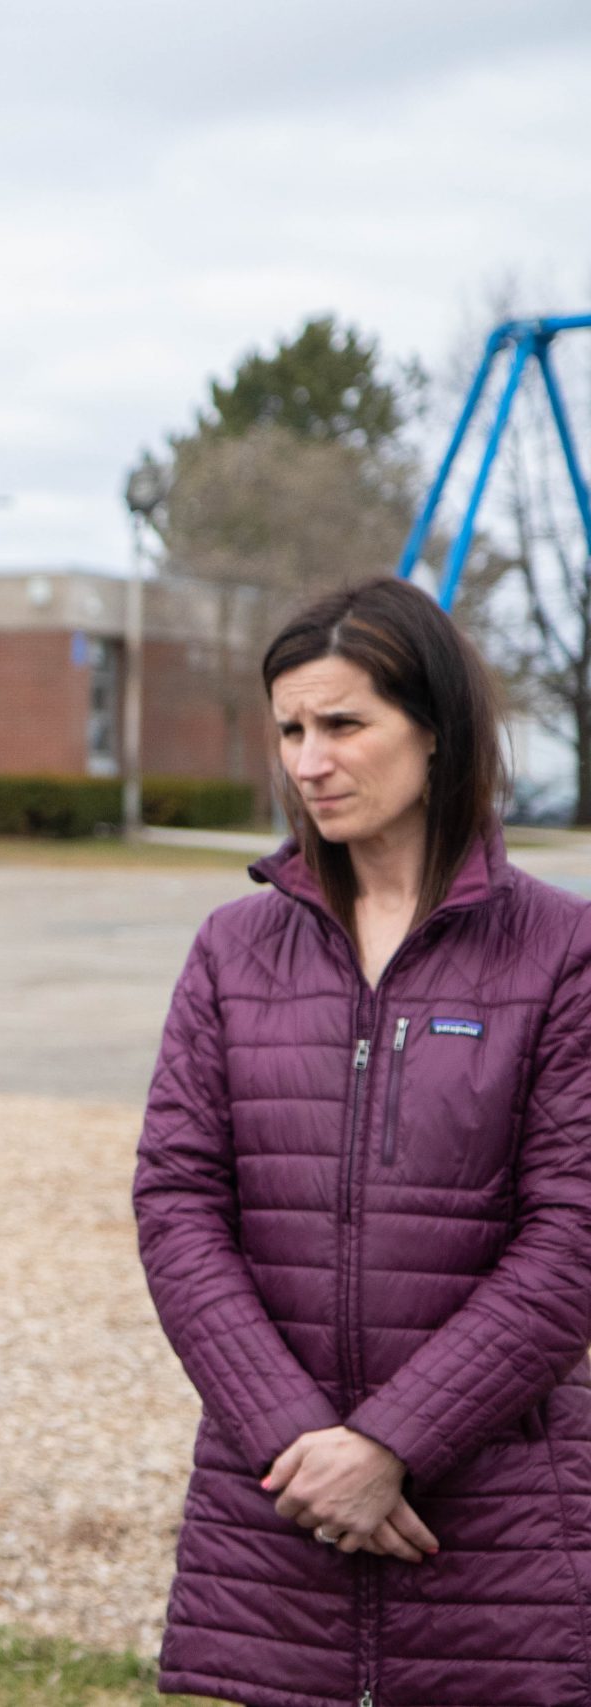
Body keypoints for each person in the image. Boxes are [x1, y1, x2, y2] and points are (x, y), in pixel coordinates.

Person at [135, 576, 591, 1707]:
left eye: (343, 724)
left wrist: (392, 1443)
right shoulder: (232, 952)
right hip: (275, 1504)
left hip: (490, 1517)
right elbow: (176, 1203)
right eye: (290, 728)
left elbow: (573, 1235)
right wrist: (302, 1445)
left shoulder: (562, 954)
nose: (308, 761)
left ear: (434, 729)